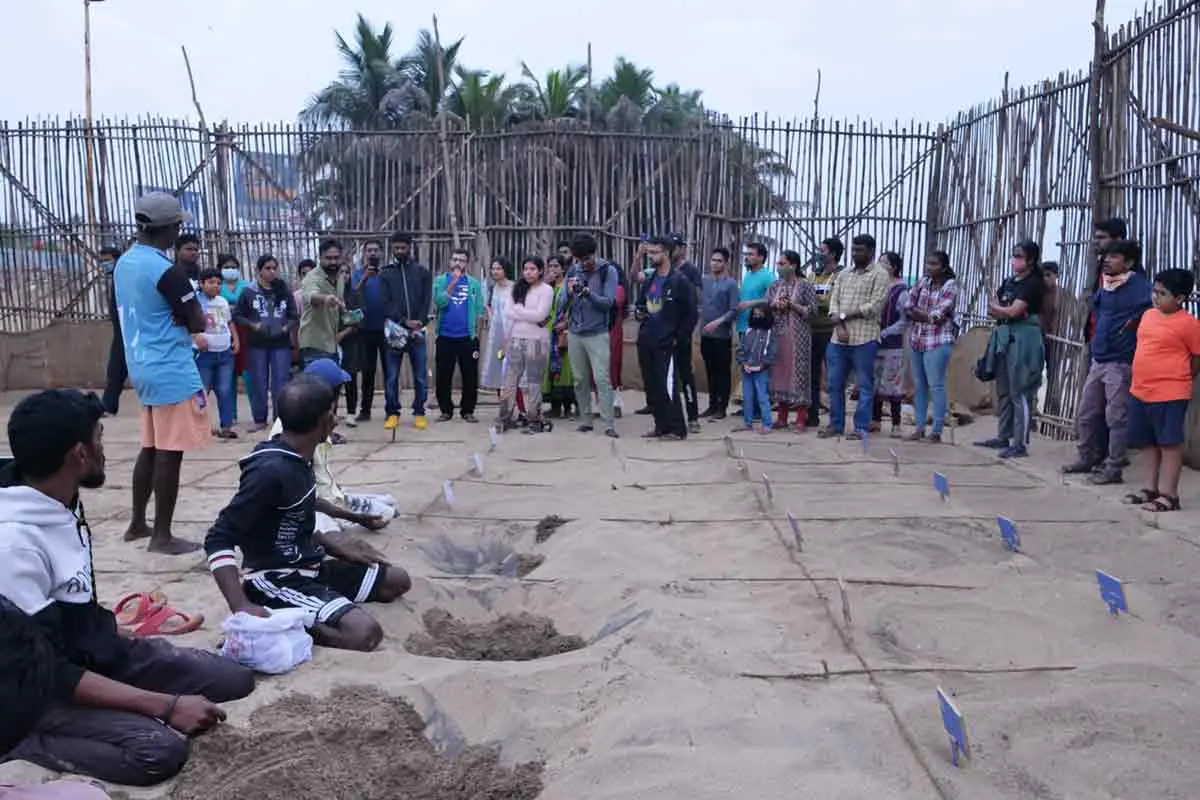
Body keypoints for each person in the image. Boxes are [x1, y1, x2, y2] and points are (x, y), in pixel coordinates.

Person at [0, 389, 254, 787]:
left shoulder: (58, 494)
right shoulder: (12, 544)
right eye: (99, 437)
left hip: (84, 651)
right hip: (30, 689)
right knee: (159, 751)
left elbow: (72, 600)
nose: (106, 449)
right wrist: (166, 706)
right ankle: (21, 741)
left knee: (234, 679)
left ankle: (119, 691)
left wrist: (114, 635)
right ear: (79, 455)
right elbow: (47, 671)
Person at [205, 377, 412, 651]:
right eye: (334, 413)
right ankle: (290, 620)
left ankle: (319, 606)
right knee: (365, 634)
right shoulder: (269, 471)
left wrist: (338, 545)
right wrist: (240, 606)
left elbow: (298, 509)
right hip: (276, 578)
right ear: (324, 420)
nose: (336, 421)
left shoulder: (297, 457)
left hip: (312, 568)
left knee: (398, 581)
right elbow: (218, 537)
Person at [113, 192, 209, 555]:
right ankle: (162, 536)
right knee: (171, 452)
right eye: (177, 226)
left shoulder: (125, 263)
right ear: (166, 228)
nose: (179, 232)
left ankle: (138, 522)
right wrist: (184, 316)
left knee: (150, 448)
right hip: (171, 368)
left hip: (141, 364)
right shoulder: (167, 271)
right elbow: (198, 320)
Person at [267, 361, 397, 532]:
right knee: (331, 531)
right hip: (305, 506)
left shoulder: (314, 422)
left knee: (387, 505)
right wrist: (350, 516)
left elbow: (319, 479)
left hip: (321, 497)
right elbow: (307, 496)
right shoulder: (297, 433)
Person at [1062, 240, 1152, 484]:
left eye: (1114, 257)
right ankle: (1087, 458)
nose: (1107, 260)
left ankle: (1113, 468)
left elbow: (1149, 317)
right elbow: (1099, 312)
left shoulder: (1140, 288)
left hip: (1120, 362)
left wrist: (1127, 334)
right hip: (1099, 359)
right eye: (1107, 256)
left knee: (1116, 417)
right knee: (1087, 413)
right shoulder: (1107, 286)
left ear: (1129, 262)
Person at [1121, 268, 1200, 513]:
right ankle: (1149, 489)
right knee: (1147, 442)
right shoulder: (1148, 316)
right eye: (1154, 291)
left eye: (1162, 293)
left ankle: (1170, 495)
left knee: (1169, 444)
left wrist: (1182, 376)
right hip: (1141, 390)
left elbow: (1197, 357)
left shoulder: (1189, 324)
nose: (1155, 297)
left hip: (1170, 392)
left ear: (1179, 299)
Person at [974, 240, 1047, 459]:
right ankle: (1003, 436)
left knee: (1020, 391)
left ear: (1031, 260)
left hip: (1024, 339)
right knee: (1004, 390)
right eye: (1013, 255)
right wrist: (1003, 310)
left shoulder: (1034, 283)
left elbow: (1013, 311)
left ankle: (1020, 442)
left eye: (1019, 256)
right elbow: (995, 308)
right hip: (1006, 337)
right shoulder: (1010, 281)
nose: (1015, 260)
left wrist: (1003, 310)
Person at [821, 234, 889, 440]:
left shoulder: (880, 274)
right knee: (834, 384)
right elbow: (834, 302)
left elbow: (875, 306)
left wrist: (843, 316)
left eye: (859, 250)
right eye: (853, 249)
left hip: (865, 339)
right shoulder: (844, 274)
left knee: (864, 386)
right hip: (838, 338)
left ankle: (860, 427)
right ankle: (836, 425)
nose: (854, 253)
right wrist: (839, 325)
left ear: (871, 251)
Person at [635, 237, 695, 440]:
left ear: (667, 253)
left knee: (668, 384)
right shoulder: (651, 279)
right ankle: (661, 426)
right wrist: (640, 313)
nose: (651, 256)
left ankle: (677, 429)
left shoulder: (680, 281)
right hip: (647, 340)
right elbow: (642, 304)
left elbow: (691, 315)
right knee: (652, 385)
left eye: (655, 252)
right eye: (649, 252)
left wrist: (679, 338)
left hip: (667, 342)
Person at [565, 233, 621, 438]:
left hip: (597, 332)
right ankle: (585, 420)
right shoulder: (573, 270)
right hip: (575, 332)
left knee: (601, 378)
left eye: (586, 259)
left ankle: (608, 424)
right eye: (579, 260)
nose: (583, 264)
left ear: (594, 254)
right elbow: (562, 302)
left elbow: (608, 303)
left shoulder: (608, 271)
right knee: (579, 379)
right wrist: (569, 292)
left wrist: (588, 293)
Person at [234, 255, 298, 432]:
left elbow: (294, 315)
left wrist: (286, 328)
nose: (271, 272)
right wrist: (252, 325)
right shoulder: (249, 292)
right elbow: (238, 315)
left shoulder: (284, 291)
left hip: (281, 343)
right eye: (267, 268)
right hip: (257, 343)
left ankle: (280, 420)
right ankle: (260, 419)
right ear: (259, 270)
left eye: (274, 268)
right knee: (258, 381)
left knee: (281, 382)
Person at [379, 232, 432, 432]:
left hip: (417, 331)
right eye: (396, 248)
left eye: (403, 247)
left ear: (411, 247)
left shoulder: (422, 272)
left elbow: (427, 300)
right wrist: (403, 322)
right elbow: (385, 302)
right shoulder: (386, 274)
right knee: (392, 376)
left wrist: (419, 322)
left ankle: (419, 412)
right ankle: (392, 412)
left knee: (420, 375)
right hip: (394, 332)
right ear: (392, 249)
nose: (400, 251)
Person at [905, 251, 959, 442]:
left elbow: (937, 316)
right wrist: (926, 315)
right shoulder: (922, 282)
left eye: (934, 264)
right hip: (917, 338)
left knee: (936, 385)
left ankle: (936, 430)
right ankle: (919, 427)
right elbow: (907, 307)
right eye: (928, 263)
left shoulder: (950, 286)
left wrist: (921, 314)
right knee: (920, 386)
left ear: (944, 268)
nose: (929, 267)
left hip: (938, 340)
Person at [499, 257, 554, 433]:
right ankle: (505, 417)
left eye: (532, 269)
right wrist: (525, 314)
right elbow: (507, 311)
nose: (528, 272)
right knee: (510, 380)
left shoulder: (546, 290)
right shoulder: (518, 288)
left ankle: (534, 418)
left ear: (540, 271)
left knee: (534, 381)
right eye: (525, 269)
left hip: (537, 341)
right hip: (515, 339)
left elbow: (540, 315)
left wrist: (519, 311)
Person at [432, 248, 486, 423]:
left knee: (470, 375)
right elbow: (439, 303)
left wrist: (476, 337)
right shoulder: (440, 281)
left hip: (467, 337)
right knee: (443, 375)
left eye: (462, 260)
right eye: (455, 259)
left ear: (467, 263)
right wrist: (452, 284)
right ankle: (446, 410)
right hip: (445, 336)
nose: (457, 263)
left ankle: (467, 410)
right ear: (450, 262)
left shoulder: (474, 284)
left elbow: (479, 311)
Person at [764, 250, 816, 431]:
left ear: (793, 265)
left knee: (799, 375)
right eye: (778, 264)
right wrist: (774, 305)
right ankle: (782, 417)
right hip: (778, 335)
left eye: (782, 263)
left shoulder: (805, 286)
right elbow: (766, 305)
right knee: (779, 374)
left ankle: (801, 418)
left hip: (798, 338)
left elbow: (813, 311)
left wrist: (792, 305)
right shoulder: (774, 286)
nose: (779, 267)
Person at [194, 268, 240, 439]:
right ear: (201, 284)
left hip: (224, 352)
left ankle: (226, 426)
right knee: (201, 391)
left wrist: (236, 339)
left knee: (225, 389)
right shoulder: (195, 302)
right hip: (204, 354)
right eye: (211, 282)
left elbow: (229, 322)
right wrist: (196, 338)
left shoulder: (222, 302)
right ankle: (200, 426)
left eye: (219, 283)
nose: (216, 286)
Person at [732, 243, 776, 416]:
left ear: (761, 257)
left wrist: (751, 303)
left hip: (759, 328)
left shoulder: (768, 277)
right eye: (747, 253)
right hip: (745, 325)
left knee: (758, 367)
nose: (747, 257)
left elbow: (772, 300)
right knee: (746, 367)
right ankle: (748, 406)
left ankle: (759, 409)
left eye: (751, 254)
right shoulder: (748, 275)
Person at [698, 247, 740, 420]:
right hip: (705, 334)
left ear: (725, 263)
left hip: (722, 335)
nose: (715, 263)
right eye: (713, 260)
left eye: (719, 261)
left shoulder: (730, 284)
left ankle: (722, 407)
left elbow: (734, 309)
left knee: (722, 372)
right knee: (710, 370)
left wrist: (720, 321)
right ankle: (712, 405)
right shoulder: (704, 280)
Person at [871, 252, 910, 436]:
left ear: (893, 267)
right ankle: (875, 421)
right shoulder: (878, 286)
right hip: (875, 342)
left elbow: (904, 321)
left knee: (893, 385)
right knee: (874, 383)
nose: (880, 264)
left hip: (892, 345)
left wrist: (885, 332)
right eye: (879, 261)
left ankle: (896, 424)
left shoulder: (901, 291)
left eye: (884, 262)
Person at [807, 236, 843, 427]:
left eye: (823, 251)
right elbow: (808, 299)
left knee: (834, 377)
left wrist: (816, 302)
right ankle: (812, 416)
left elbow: (833, 302)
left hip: (832, 331)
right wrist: (818, 303)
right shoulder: (813, 274)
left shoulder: (842, 275)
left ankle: (836, 420)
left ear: (833, 254)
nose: (819, 254)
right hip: (812, 330)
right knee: (811, 375)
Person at [668, 234, 702, 432]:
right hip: (665, 333)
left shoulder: (690, 271)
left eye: (675, 246)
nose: (672, 250)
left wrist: (685, 332)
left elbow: (694, 304)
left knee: (685, 374)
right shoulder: (663, 271)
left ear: (681, 248)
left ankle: (693, 416)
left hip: (682, 333)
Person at [349, 239, 386, 423]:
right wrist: (365, 278)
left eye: (375, 250)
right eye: (369, 250)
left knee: (390, 372)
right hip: (365, 330)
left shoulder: (387, 274)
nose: (372, 254)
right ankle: (365, 410)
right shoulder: (357, 275)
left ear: (381, 253)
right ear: (364, 254)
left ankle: (391, 409)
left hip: (386, 330)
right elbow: (353, 295)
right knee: (368, 373)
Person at [300, 240, 348, 369]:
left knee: (332, 388)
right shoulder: (311, 278)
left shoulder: (339, 277)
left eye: (336, 258)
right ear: (320, 258)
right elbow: (311, 296)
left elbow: (339, 303)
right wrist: (326, 299)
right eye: (328, 258)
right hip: (315, 345)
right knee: (317, 387)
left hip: (332, 344)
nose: (333, 262)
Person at [218, 254, 252, 428]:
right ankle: (230, 415)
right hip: (223, 332)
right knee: (228, 377)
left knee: (249, 374)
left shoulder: (247, 286)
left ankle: (257, 414)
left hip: (244, 332)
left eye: (233, 266)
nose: (230, 270)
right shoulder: (217, 287)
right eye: (226, 266)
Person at [734, 306, 779, 435]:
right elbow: (740, 349)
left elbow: (772, 353)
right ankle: (747, 423)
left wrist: (762, 366)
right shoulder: (748, 331)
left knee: (762, 397)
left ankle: (767, 424)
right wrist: (743, 363)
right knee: (747, 397)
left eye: (760, 314)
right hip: (747, 369)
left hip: (761, 370)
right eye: (755, 314)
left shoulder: (771, 333)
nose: (757, 317)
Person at [542, 256, 577, 419]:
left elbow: (574, 308)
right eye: (550, 266)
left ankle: (568, 407)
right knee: (551, 369)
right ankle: (555, 407)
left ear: (563, 269)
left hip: (564, 331)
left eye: (556, 266)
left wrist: (566, 324)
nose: (553, 269)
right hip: (549, 331)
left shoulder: (568, 287)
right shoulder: (547, 287)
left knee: (565, 369)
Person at [99, 245, 127, 416]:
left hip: (128, 330)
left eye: (107, 260)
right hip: (121, 331)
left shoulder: (123, 276)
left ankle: (109, 405)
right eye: (102, 261)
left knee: (117, 368)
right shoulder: (117, 277)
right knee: (116, 369)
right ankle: (108, 405)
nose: (104, 264)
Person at [481, 257, 515, 397]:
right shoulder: (492, 288)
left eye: (498, 268)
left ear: (505, 270)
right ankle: (503, 404)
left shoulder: (514, 287)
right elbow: (488, 306)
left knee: (511, 368)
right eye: (493, 268)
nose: (495, 271)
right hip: (496, 334)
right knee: (497, 366)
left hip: (512, 332)